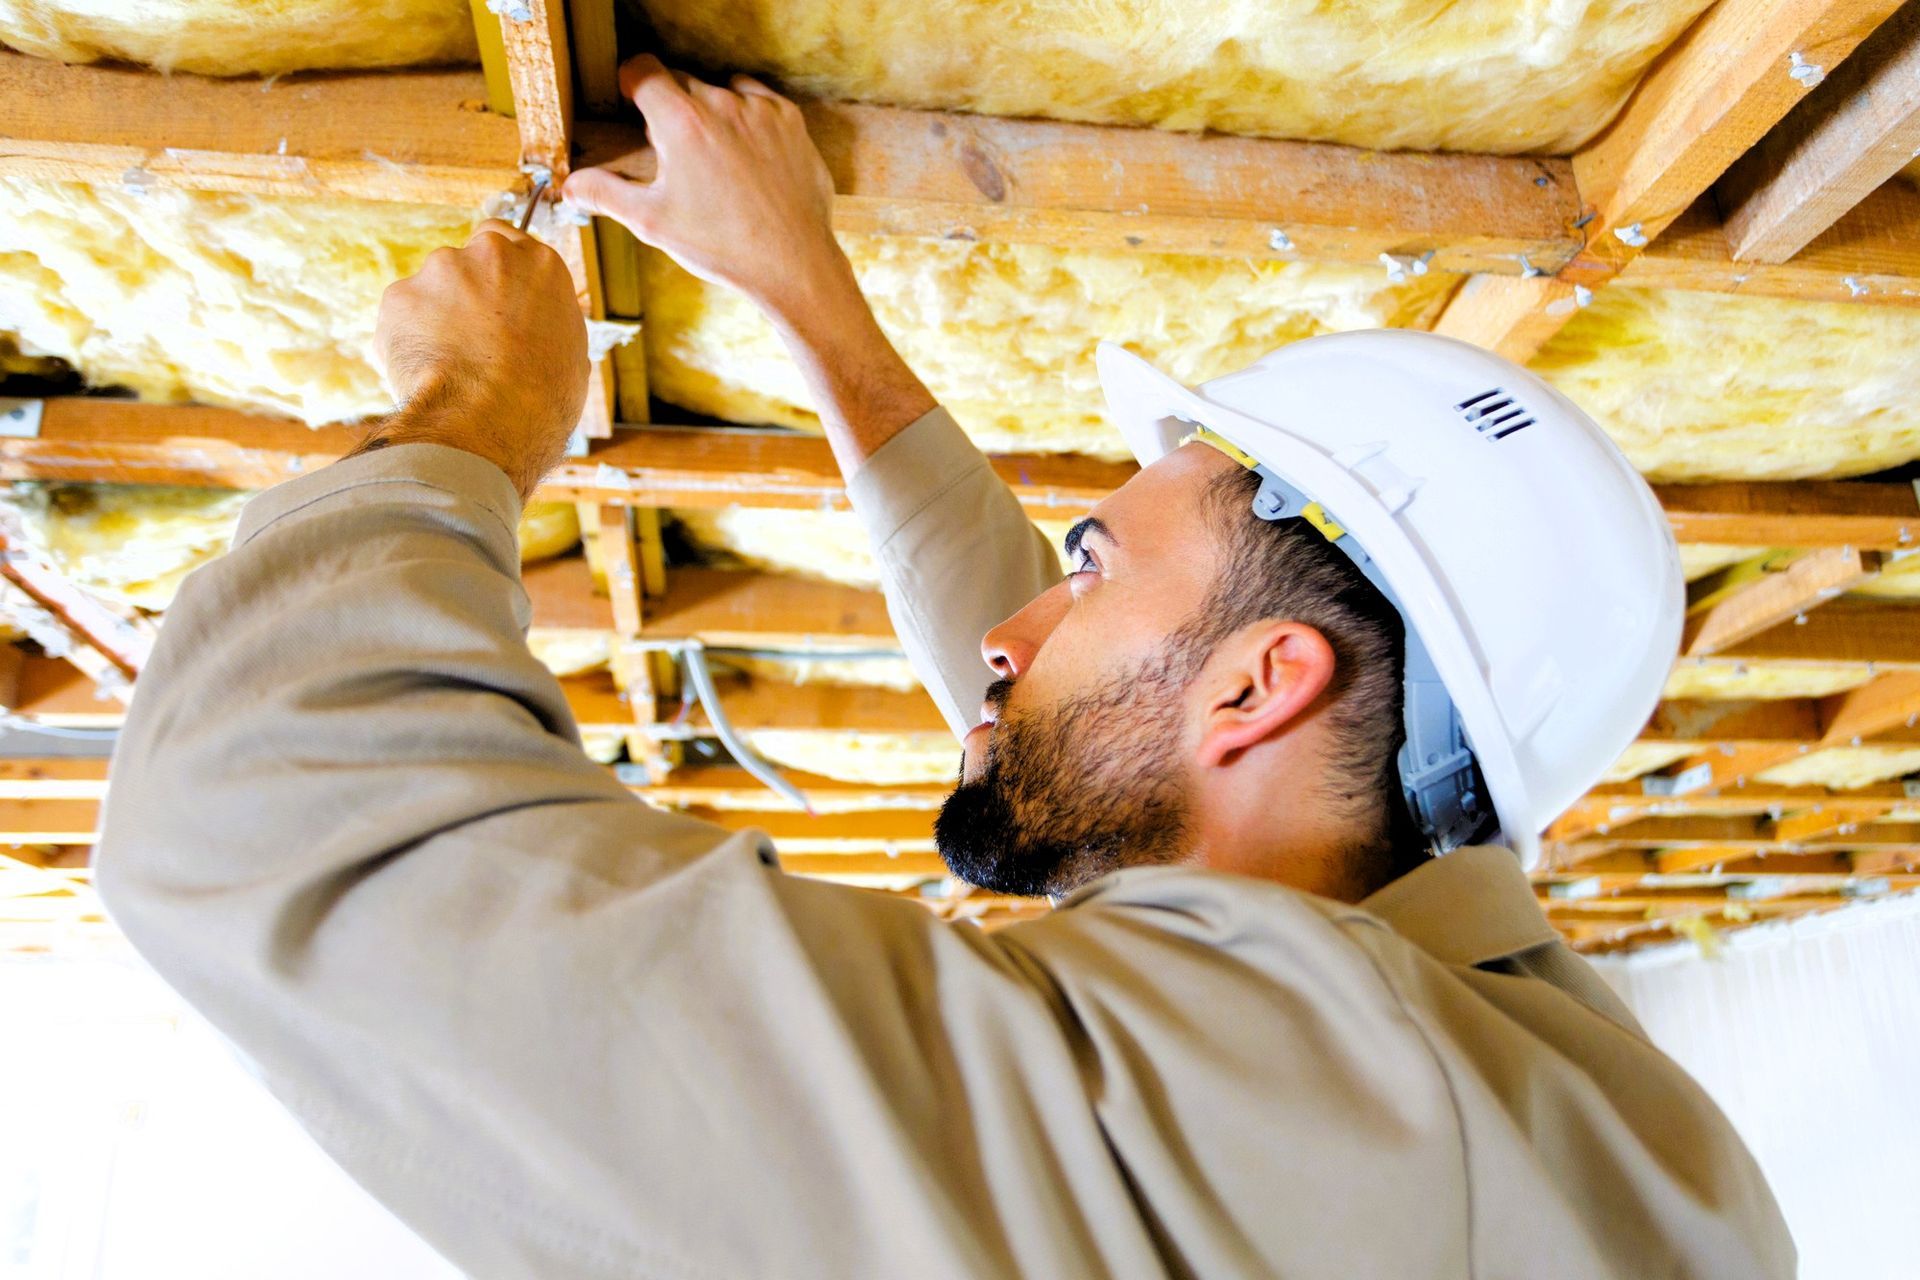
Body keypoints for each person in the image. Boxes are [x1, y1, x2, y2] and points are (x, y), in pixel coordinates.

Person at [97, 55, 1793, 1279]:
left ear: (1261, 690)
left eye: (1090, 567)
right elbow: (1078, 713)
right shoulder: (1540, 1093)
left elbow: (270, 819)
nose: (1009, 634)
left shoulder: (1319, 1113)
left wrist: (468, 417)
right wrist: (808, 298)